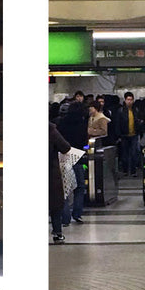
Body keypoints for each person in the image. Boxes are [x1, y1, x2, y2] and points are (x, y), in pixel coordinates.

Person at [57, 97, 88, 226]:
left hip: (64, 156)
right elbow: (83, 141)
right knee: (80, 186)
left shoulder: (61, 123)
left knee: (64, 188)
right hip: (77, 156)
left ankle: (65, 217)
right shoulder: (82, 124)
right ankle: (77, 213)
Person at [49, 121, 73, 244]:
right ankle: (57, 234)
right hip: (51, 174)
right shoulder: (50, 130)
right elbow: (65, 147)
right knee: (55, 206)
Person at [113, 91, 144, 176]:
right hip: (124, 135)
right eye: (128, 99)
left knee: (134, 153)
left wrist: (139, 130)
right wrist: (118, 135)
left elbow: (140, 121)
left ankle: (133, 170)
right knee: (125, 154)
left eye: (131, 99)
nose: (129, 101)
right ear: (125, 100)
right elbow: (117, 123)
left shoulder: (136, 110)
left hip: (134, 134)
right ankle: (126, 170)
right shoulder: (121, 111)